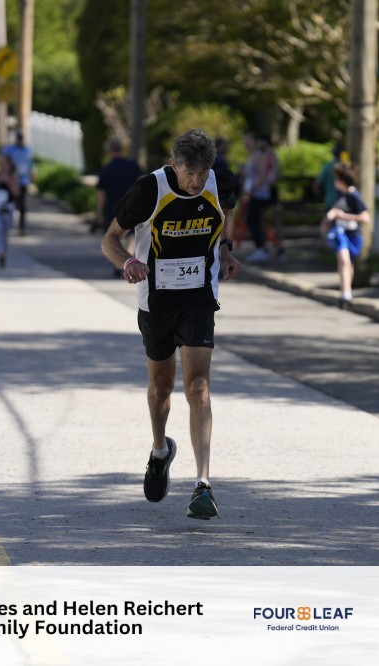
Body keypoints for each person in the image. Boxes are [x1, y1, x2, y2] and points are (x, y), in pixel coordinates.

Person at [100, 128, 240, 520]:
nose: (196, 181)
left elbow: (229, 209)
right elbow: (110, 239)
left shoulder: (220, 182)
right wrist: (128, 261)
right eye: (189, 173)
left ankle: (203, 485)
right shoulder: (149, 190)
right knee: (161, 388)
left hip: (198, 299)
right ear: (173, 165)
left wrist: (226, 248)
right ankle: (160, 450)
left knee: (198, 387)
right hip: (156, 302)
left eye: (202, 173)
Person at [320, 162, 370, 309]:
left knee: (348, 263)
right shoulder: (339, 193)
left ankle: (347, 293)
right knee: (344, 260)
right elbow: (335, 210)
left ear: (342, 180)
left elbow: (365, 218)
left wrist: (343, 216)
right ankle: (345, 294)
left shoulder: (354, 196)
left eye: (336, 178)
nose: (334, 181)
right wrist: (327, 220)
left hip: (354, 234)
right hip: (340, 233)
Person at [243, 134, 281, 263]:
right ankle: (263, 248)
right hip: (256, 193)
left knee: (254, 220)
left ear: (255, 142)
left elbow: (263, 175)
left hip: (259, 194)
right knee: (258, 221)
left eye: (248, 141)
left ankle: (262, 249)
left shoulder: (260, 155)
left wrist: (252, 189)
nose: (246, 144)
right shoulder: (252, 156)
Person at [95, 138, 142, 235]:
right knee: (131, 236)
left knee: (113, 237)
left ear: (109, 151)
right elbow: (143, 183)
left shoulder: (106, 169)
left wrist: (99, 213)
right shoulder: (133, 165)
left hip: (113, 210)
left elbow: (101, 194)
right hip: (132, 207)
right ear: (122, 149)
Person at [0, 154, 20, 269]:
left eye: (4, 162)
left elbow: (16, 193)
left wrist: (8, 182)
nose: (2, 165)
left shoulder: (13, 176)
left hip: (8, 208)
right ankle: (0, 252)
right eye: (0, 162)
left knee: (5, 232)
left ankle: (3, 252)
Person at [0, 131, 35, 234]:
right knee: (9, 202)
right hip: (12, 180)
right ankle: (6, 223)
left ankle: (22, 226)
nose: (20, 140)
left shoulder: (28, 150)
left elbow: (31, 165)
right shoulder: (10, 149)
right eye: (19, 138)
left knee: (22, 203)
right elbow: (2, 159)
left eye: (21, 138)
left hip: (23, 180)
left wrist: (32, 178)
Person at [313, 143, 344, 213]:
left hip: (330, 201)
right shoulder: (346, 166)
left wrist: (318, 197)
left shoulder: (327, 167)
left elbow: (317, 184)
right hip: (344, 203)